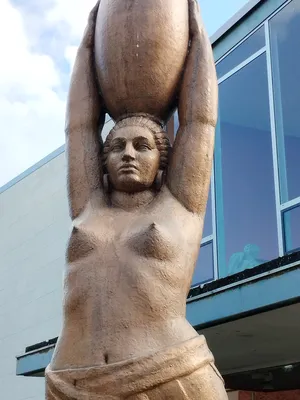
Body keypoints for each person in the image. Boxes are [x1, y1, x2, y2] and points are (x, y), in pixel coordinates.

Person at [46, 0, 228, 398]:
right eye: (117, 147)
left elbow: (199, 120)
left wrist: (198, 41)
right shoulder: (89, 206)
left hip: (168, 373)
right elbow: (78, 126)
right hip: (73, 378)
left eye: (143, 146)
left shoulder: (179, 206)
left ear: (163, 161)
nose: (128, 153)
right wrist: (86, 49)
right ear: (103, 159)